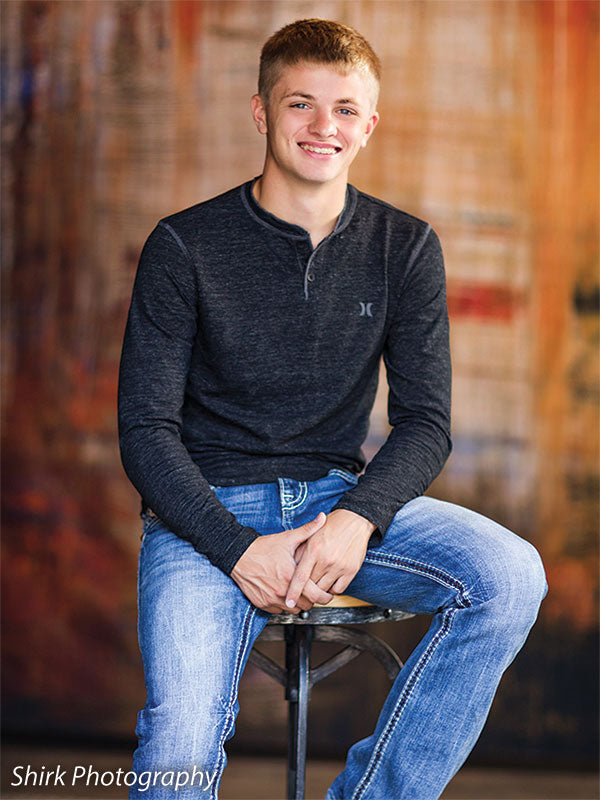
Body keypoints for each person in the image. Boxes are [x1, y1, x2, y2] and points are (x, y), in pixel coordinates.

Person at [118, 18, 547, 800]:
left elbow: (426, 424)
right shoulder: (184, 245)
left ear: (369, 124)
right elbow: (145, 432)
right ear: (261, 112)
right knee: (179, 741)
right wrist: (237, 548)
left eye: (345, 108)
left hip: (333, 503)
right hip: (202, 515)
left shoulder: (404, 246)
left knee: (510, 577)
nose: (324, 126)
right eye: (301, 104)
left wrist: (357, 519)